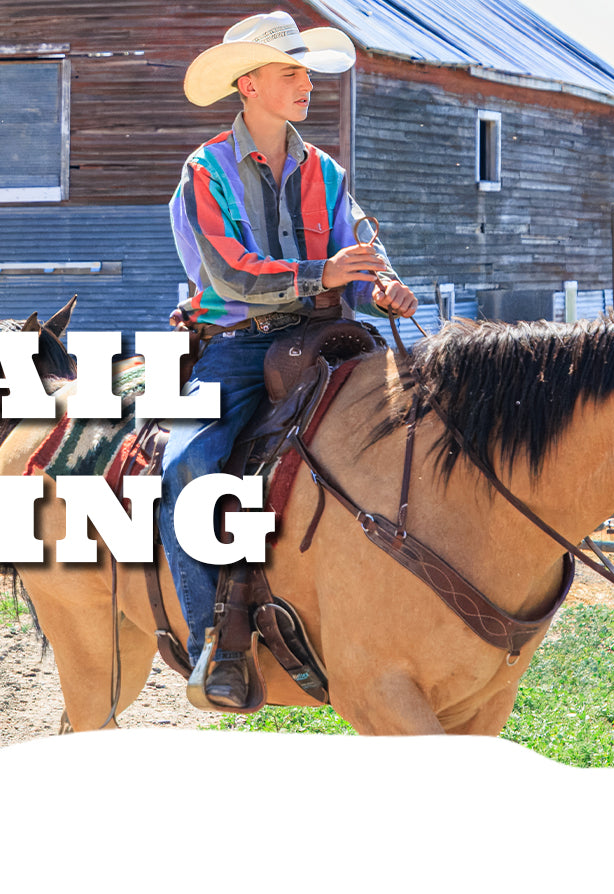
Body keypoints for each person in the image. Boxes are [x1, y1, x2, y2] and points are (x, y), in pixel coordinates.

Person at [162, 11, 420, 709]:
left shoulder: (325, 172)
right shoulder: (206, 170)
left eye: (307, 73)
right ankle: (208, 643)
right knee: (185, 463)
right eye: (290, 73)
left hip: (327, 336)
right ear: (249, 84)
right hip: (240, 346)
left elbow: (359, 250)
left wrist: (381, 285)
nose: (306, 84)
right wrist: (325, 276)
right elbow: (227, 277)